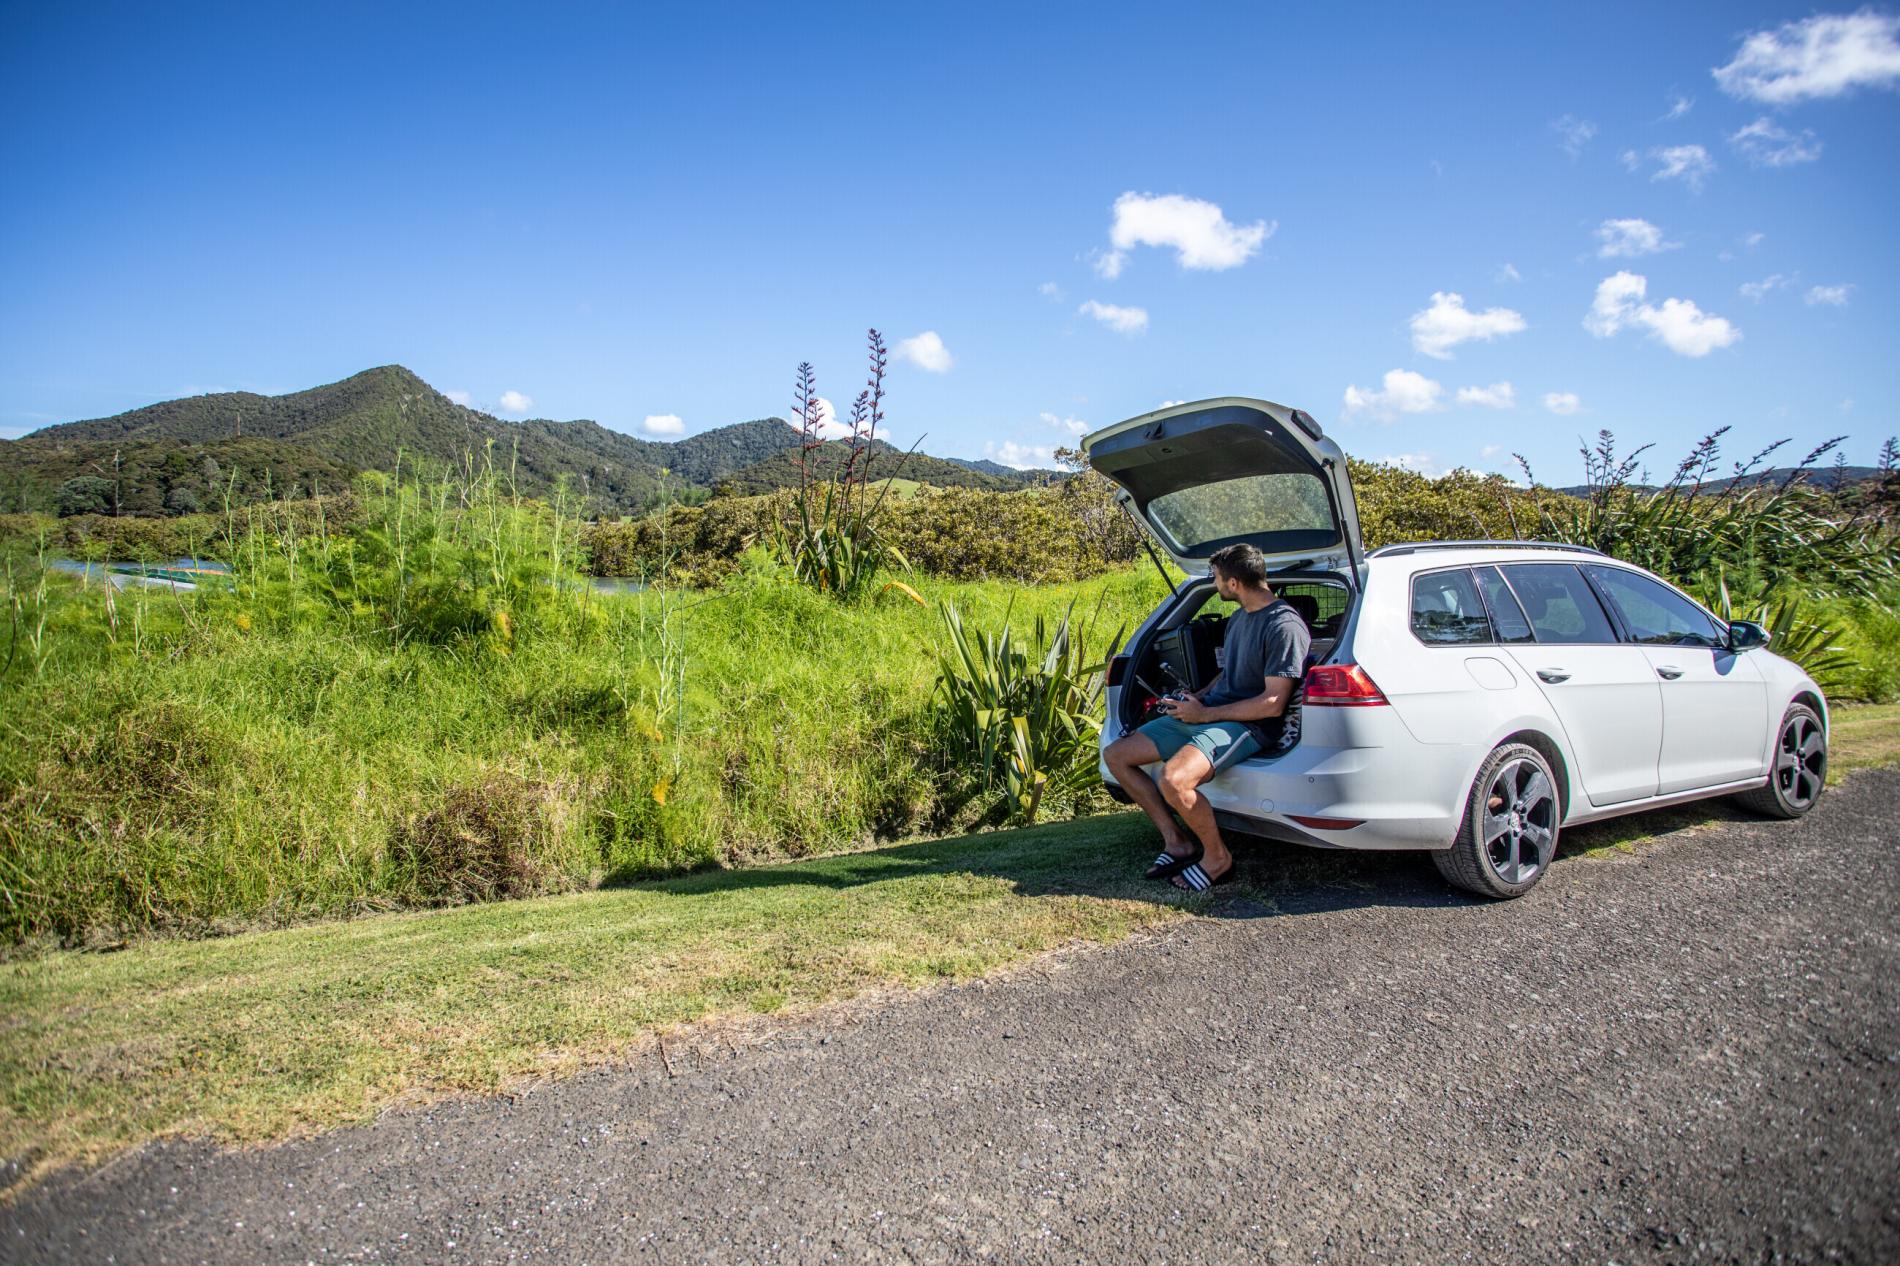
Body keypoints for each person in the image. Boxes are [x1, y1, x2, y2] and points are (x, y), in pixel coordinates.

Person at [1103, 542, 1311, 892]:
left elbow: (1273, 703)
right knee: (1117, 755)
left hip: (1248, 723)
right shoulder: (1240, 617)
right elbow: (1228, 675)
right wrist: (1197, 698)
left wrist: (1205, 714)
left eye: (1216, 578)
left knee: (1173, 779)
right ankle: (1177, 843)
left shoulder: (1284, 626)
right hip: (1210, 711)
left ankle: (1217, 859)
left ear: (1233, 584)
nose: (1214, 584)